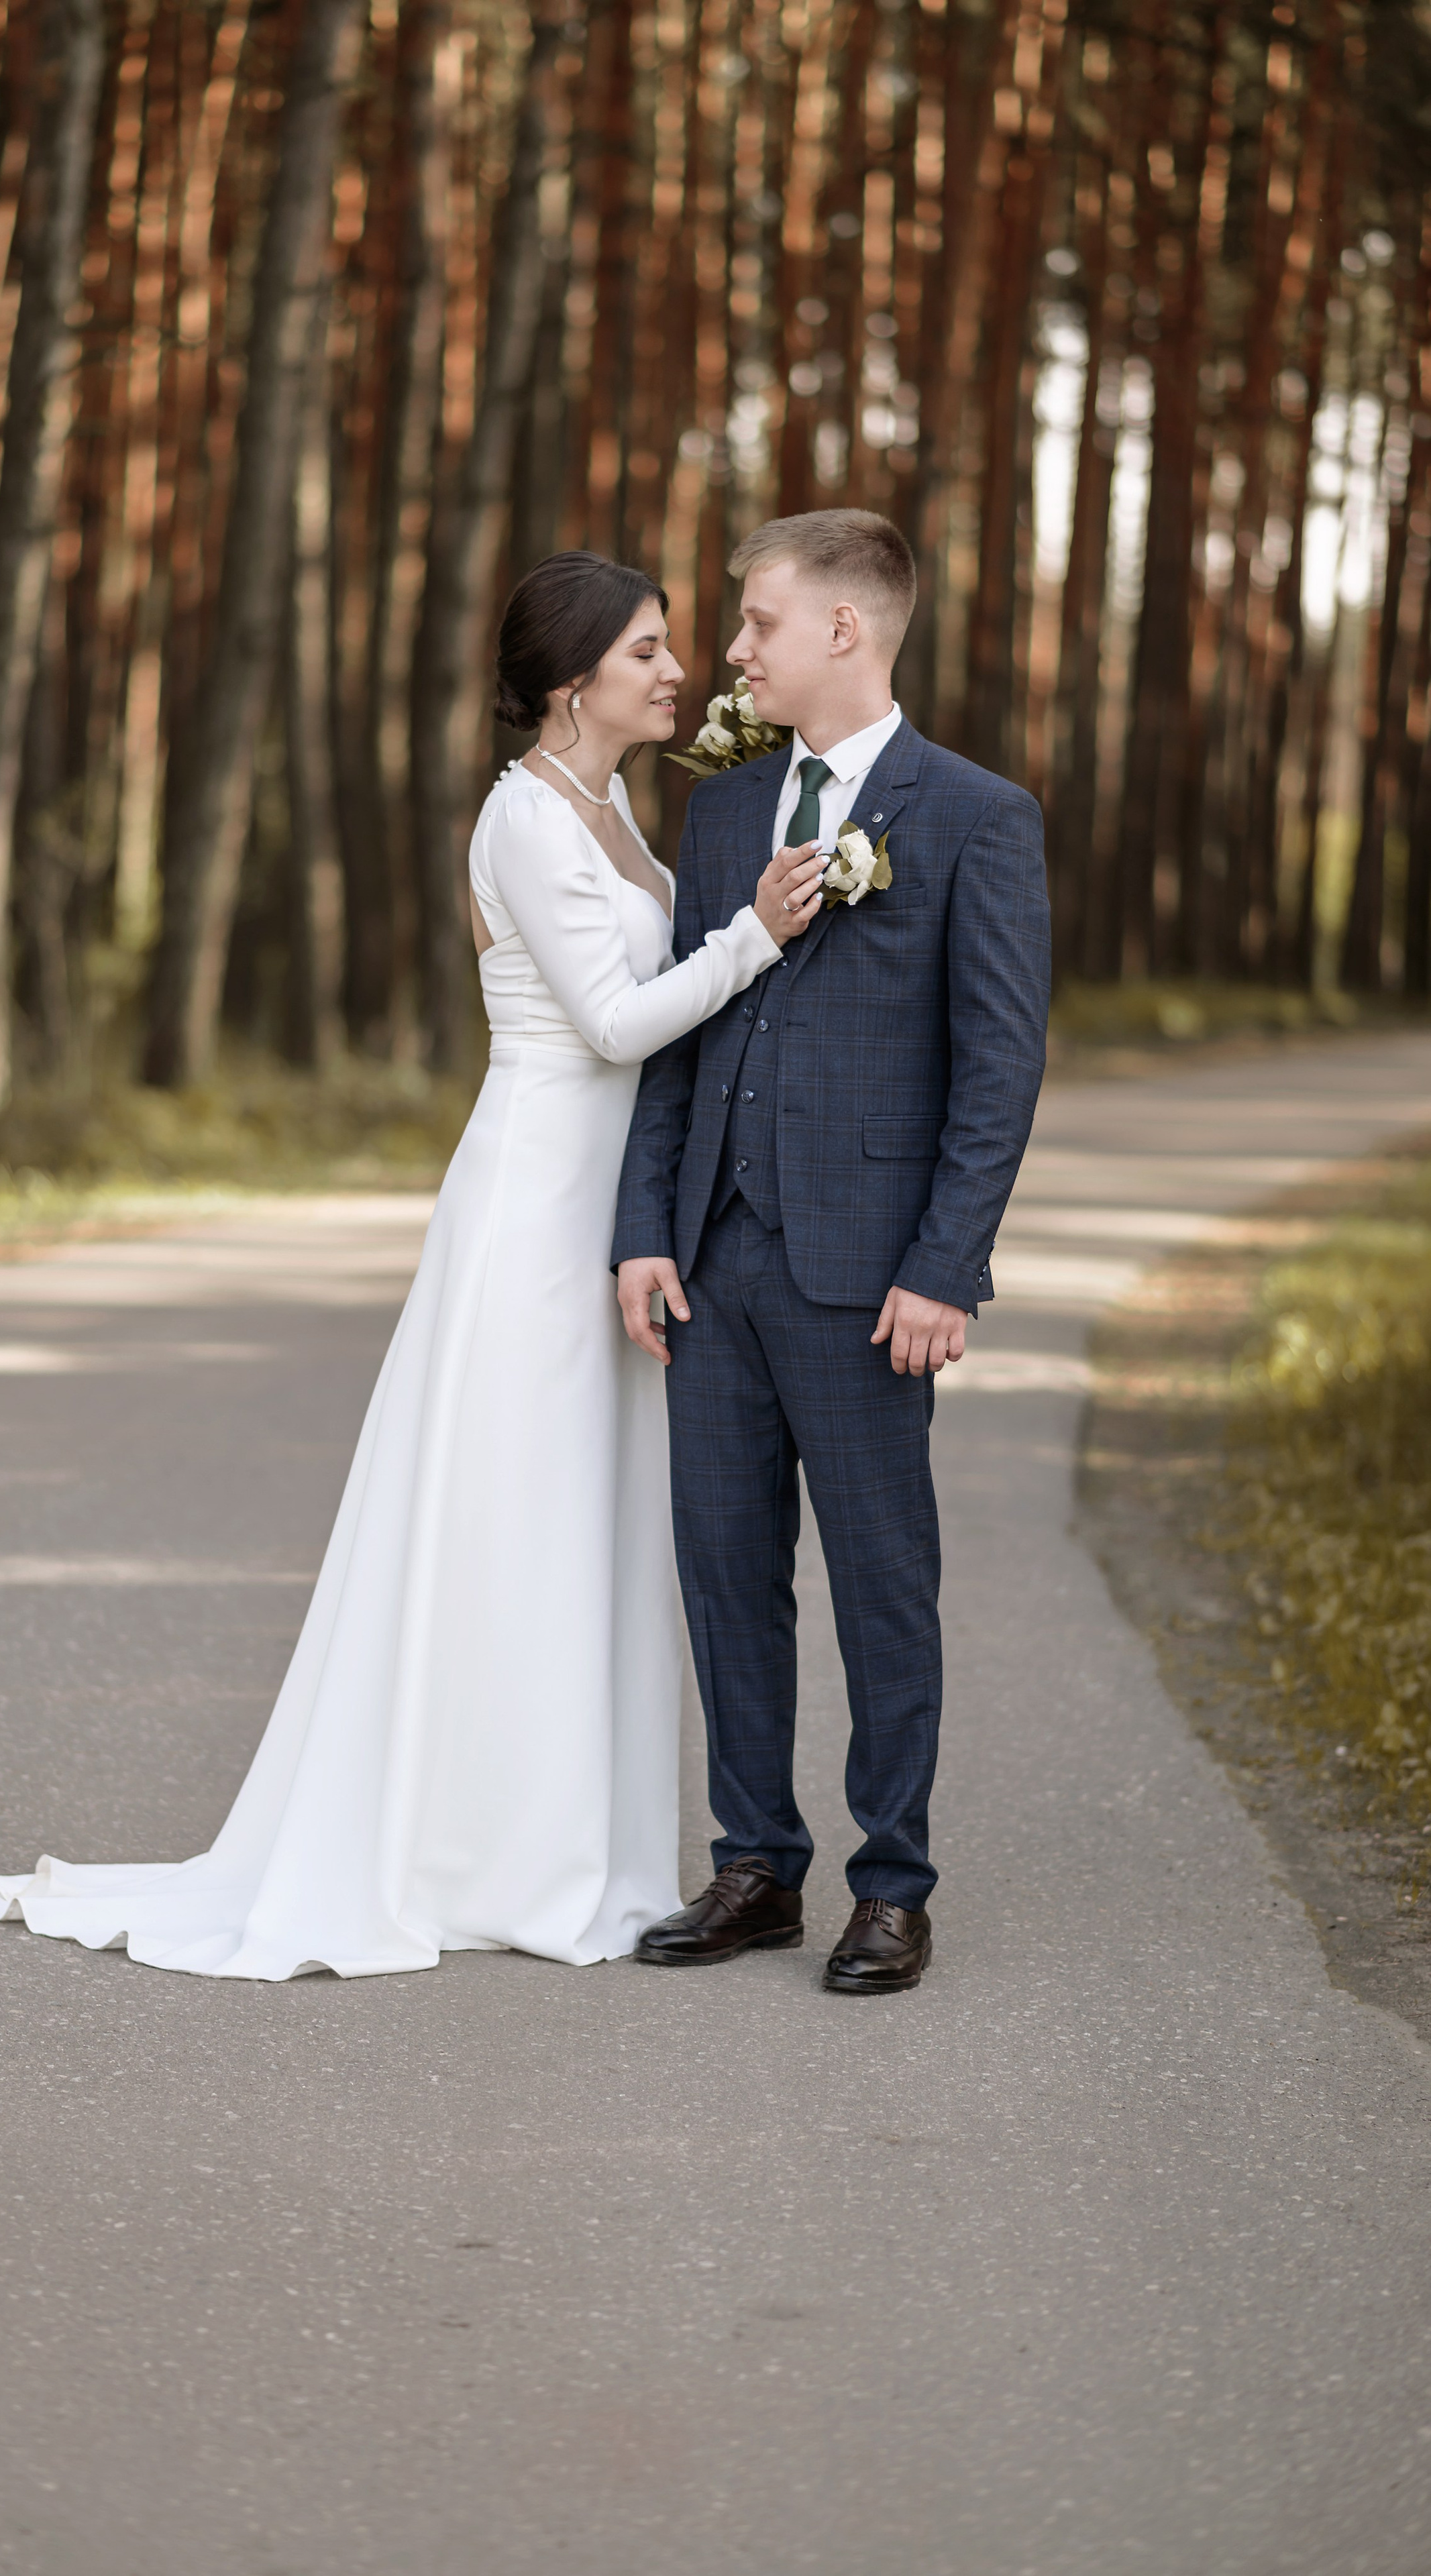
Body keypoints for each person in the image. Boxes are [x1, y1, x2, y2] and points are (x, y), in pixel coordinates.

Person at [0, 552, 825, 1978]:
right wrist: (754, 935)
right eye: (646, 651)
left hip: (608, 1201)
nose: (678, 671)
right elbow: (613, 1024)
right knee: (513, 1512)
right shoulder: (521, 819)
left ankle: (561, 1846)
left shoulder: (610, 804)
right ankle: (474, 1855)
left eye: (674, 647)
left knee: (586, 1520)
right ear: (571, 683)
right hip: (535, 1200)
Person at [614, 508, 1051, 1995]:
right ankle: (755, 1866)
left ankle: (891, 1885)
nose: (734, 651)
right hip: (713, 1267)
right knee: (725, 1575)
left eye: (757, 622)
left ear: (843, 630)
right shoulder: (727, 812)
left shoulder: (975, 815)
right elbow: (679, 1037)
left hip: (869, 1281)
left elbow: (998, 1068)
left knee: (878, 1579)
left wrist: (945, 1265)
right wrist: (643, 1232)